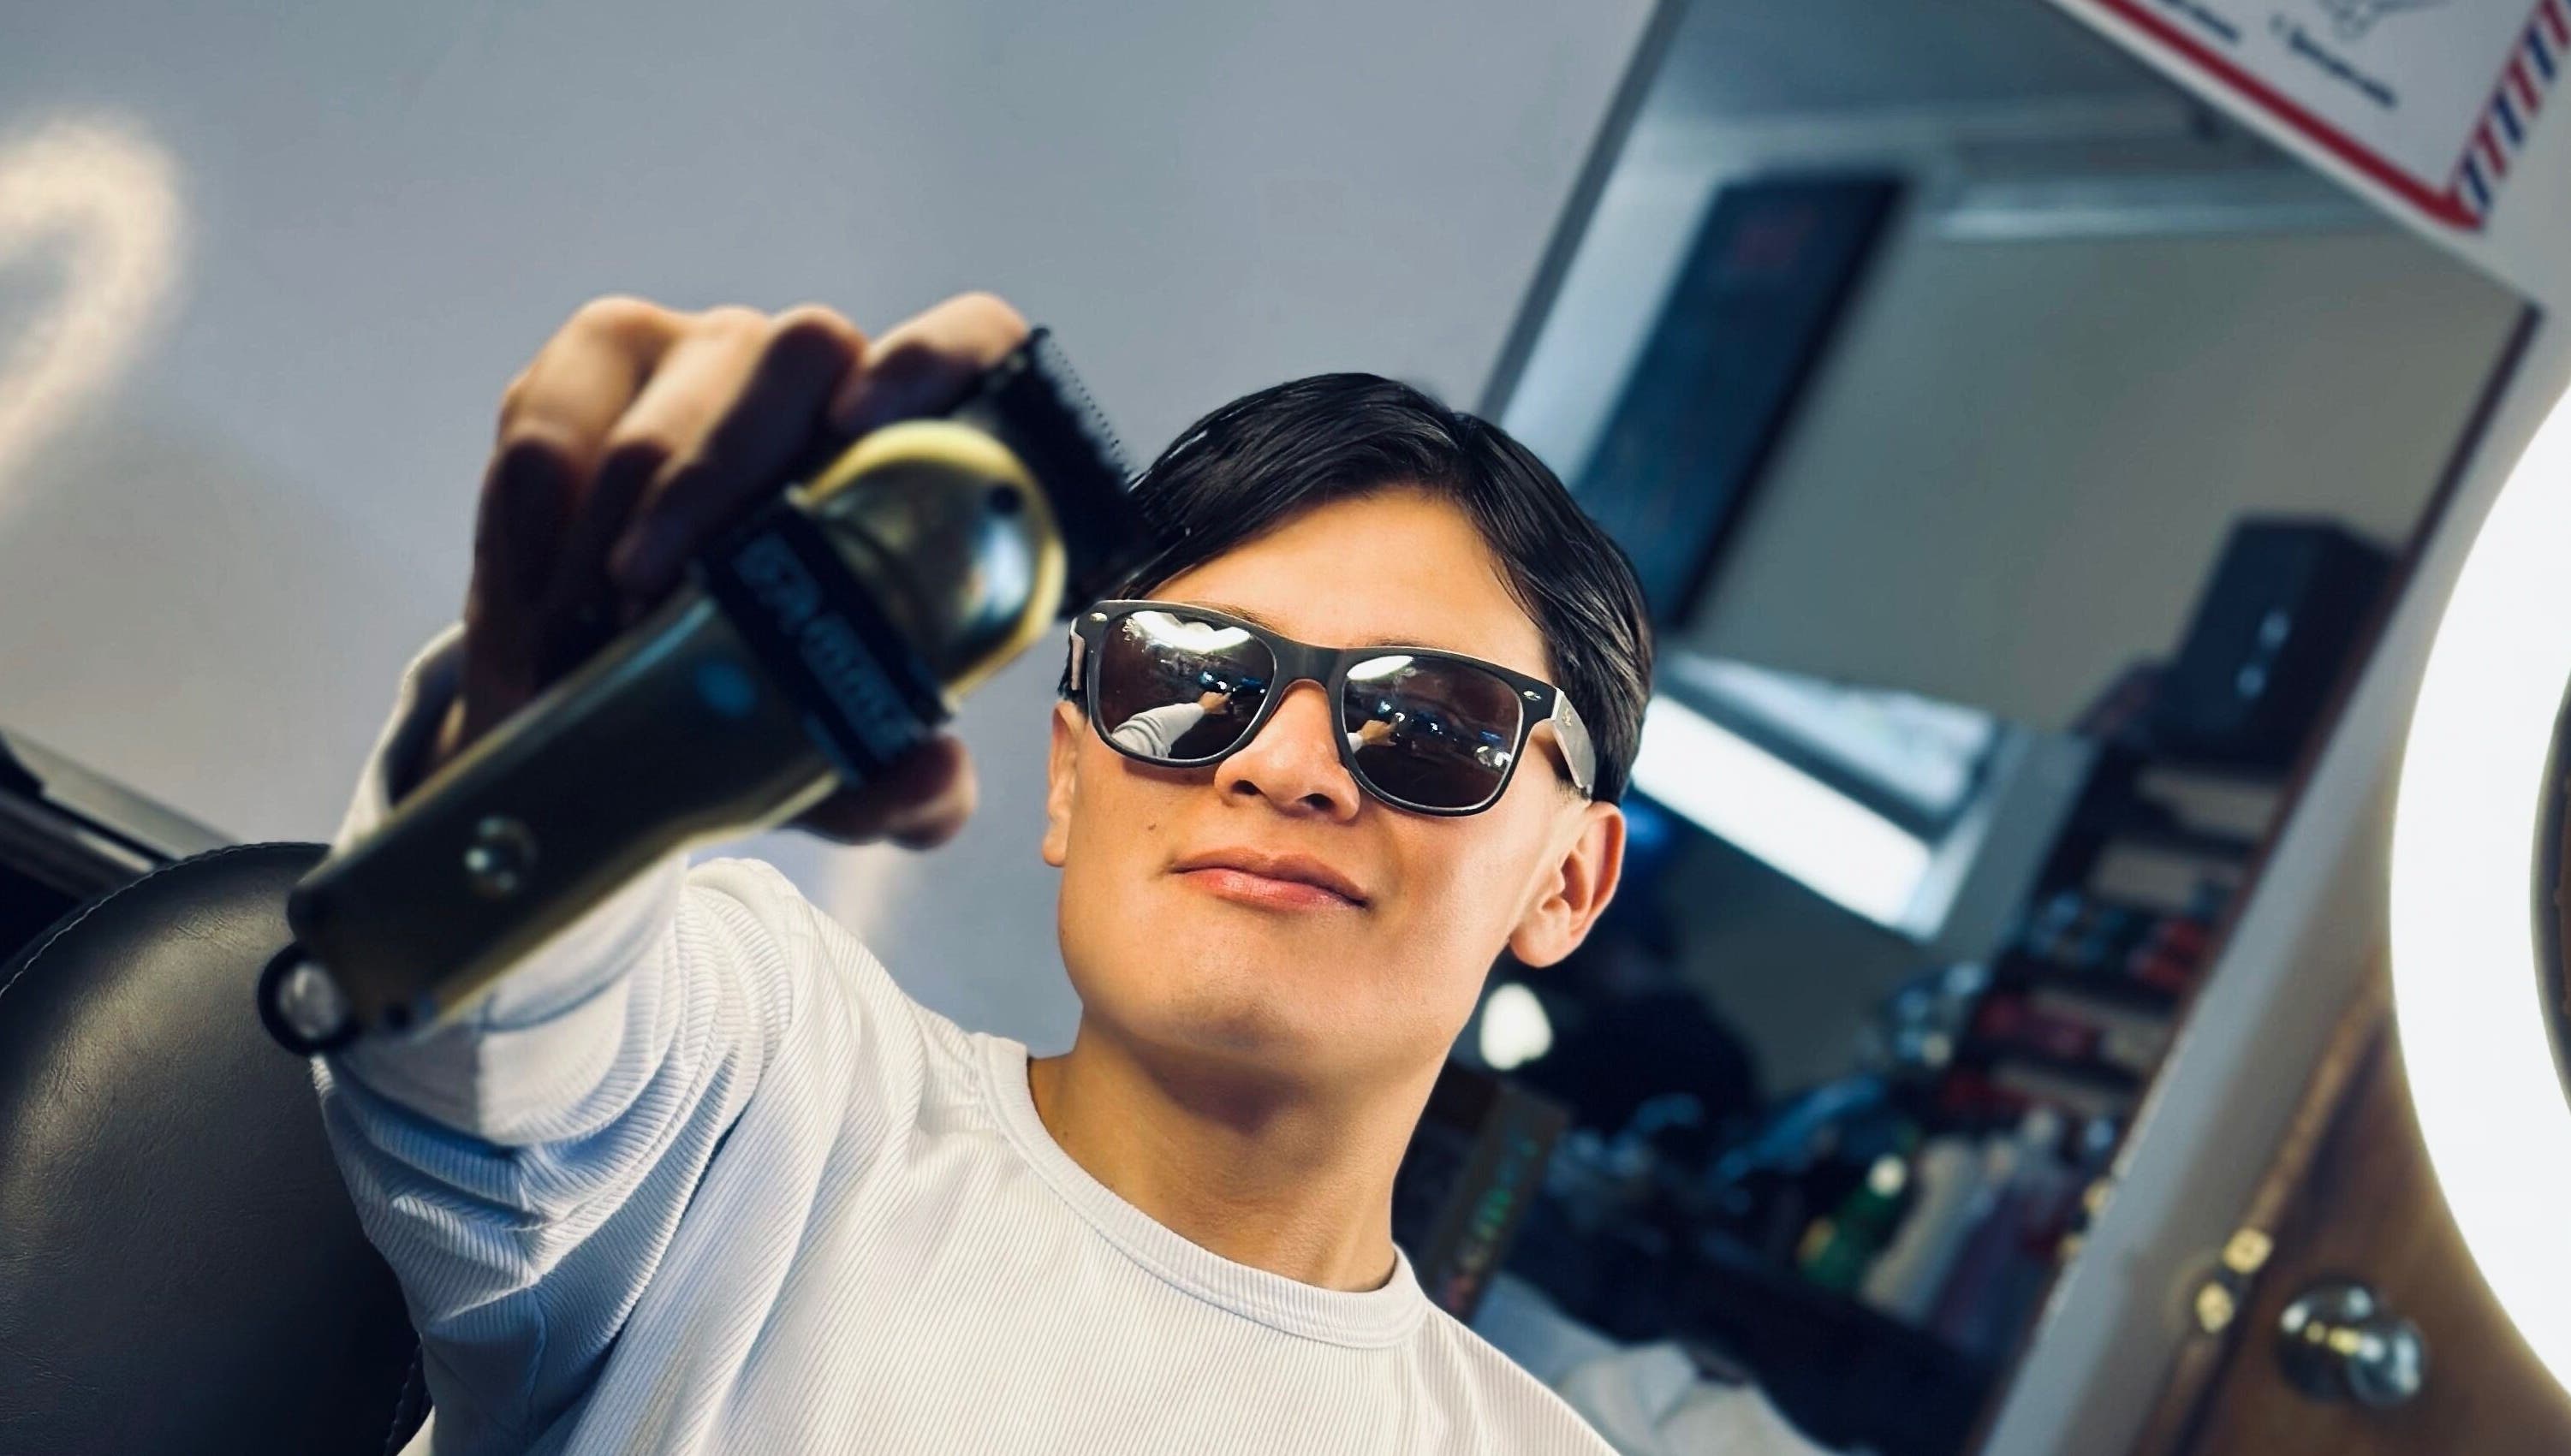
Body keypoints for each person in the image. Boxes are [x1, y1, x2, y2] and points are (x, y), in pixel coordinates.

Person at [312, 291, 1655, 1454]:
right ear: (1068, 775)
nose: (1286, 765)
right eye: (1186, 678)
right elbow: (492, 1047)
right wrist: (554, 757)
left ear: (1569, 882)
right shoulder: (771, 1090)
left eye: (1430, 724)